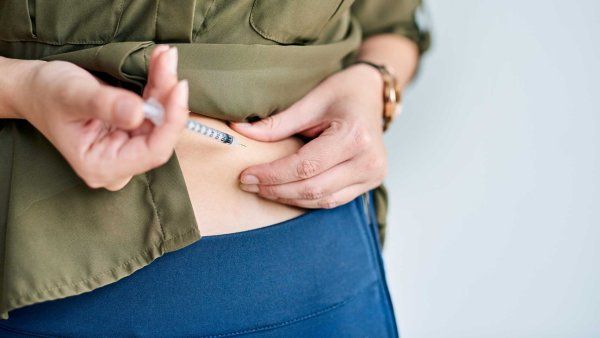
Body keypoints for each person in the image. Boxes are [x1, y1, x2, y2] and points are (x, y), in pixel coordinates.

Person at [0, 0, 429, 336]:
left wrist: (375, 84)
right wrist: (23, 90)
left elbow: (391, 23)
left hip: (321, 275)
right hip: (59, 289)